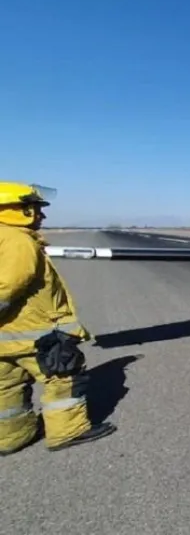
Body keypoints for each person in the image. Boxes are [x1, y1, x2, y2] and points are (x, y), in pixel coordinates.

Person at [0, 182, 117, 455]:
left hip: (5, 336)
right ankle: (68, 431)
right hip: (35, 333)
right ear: (18, 209)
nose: (41, 216)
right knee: (63, 376)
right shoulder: (16, 240)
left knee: (6, 385)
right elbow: (9, 284)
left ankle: (11, 437)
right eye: (35, 209)